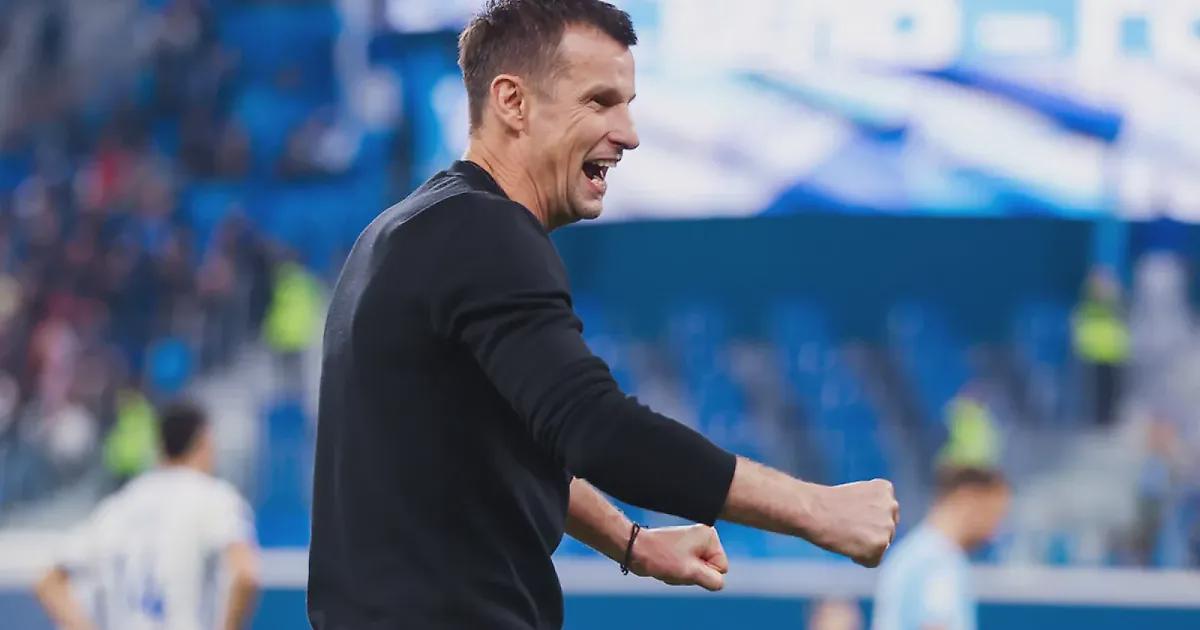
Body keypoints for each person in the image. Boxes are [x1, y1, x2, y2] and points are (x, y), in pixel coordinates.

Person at [308, 2, 899, 628]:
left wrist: (630, 542)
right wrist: (816, 510)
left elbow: (508, 441)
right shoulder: (487, 232)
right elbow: (596, 428)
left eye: (627, 103)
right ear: (512, 102)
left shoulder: (402, 230)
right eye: (599, 102)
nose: (629, 133)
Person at [35, 400, 259, 630]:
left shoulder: (122, 504)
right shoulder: (214, 498)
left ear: (160, 447)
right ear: (205, 442)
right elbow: (245, 574)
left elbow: (49, 582)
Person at [871, 467, 1011, 630]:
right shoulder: (938, 562)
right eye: (993, 514)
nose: (995, 532)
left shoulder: (913, 553)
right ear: (967, 499)